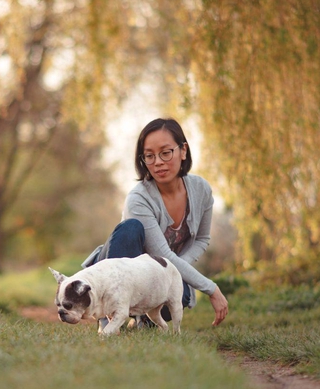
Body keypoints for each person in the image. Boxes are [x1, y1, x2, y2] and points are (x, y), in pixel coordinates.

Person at [83, 117, 229, 328]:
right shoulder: (139, 198)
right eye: (149, 156)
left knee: (181, 294)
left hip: (156, 275)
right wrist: (211, 288)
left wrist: (177, 269)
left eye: (166, 152)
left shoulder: (201, 190)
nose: (158, 162)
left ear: (183, 151)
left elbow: (202, 239)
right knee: (130, 228)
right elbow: (163, 254)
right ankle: (108, 317)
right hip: (123, 268)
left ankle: (143, 320)